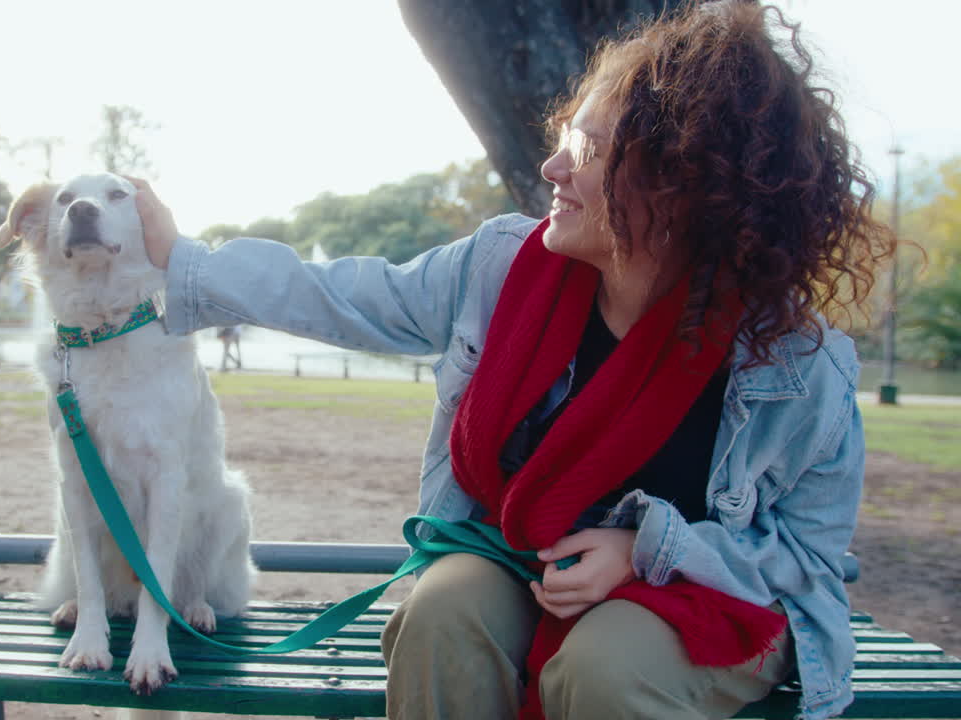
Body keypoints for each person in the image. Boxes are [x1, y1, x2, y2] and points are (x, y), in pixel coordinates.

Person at [128, 3, 895, 719]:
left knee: (606, 664)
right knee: (442, 613)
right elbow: (352, 297)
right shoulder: (501, 268)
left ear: (679, 187)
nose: (554, 167)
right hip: (511, 555)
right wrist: (186, 263)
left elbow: (805, 557)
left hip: (701, 599)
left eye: (588, 150)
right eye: (566, 136)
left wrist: (644, 551)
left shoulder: (796, 362)